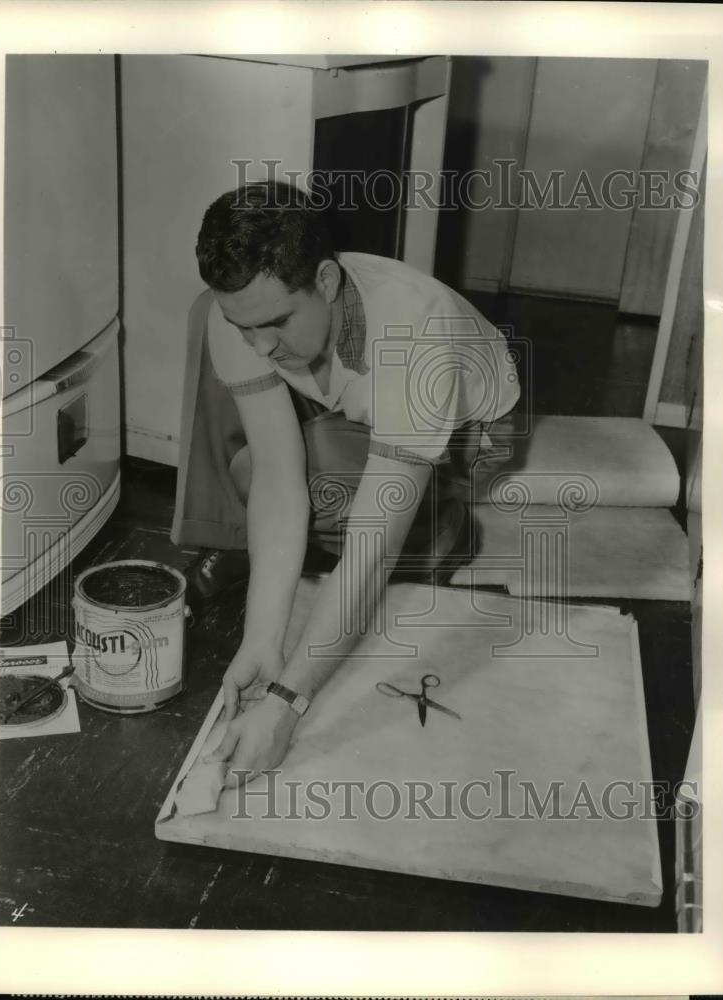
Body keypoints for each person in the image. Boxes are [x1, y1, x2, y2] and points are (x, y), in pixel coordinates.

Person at [172, 180, 520, 786]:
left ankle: (441, 529)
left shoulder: (418, 337)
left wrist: (287, 700)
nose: (257, 344)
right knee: (257, 464)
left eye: (275, 322)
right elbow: (279, 480)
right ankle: (249, 550)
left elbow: (370, 545)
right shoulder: (252, 317)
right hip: (357, 398)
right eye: (245, 325)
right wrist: (262, 639)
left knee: (335, 478)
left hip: (477, 433)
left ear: (327, 283)